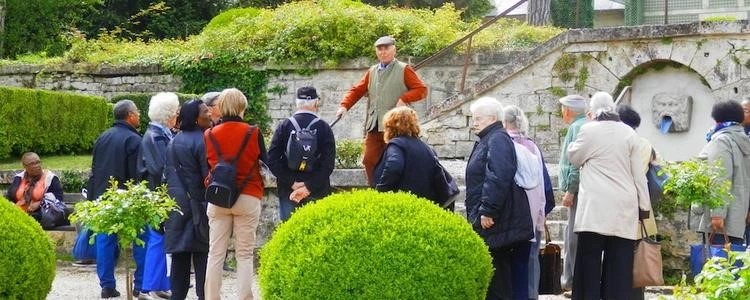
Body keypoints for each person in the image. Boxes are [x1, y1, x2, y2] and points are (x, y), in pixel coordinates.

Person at [566, 92, 651, 299]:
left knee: (589, 262)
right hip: (624, 207)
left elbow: (574, 157)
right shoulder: (629, 133)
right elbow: (638, 174)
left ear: (592, 111)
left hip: (595, 209)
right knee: (619, 265)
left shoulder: (589, 130)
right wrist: (644, 206)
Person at [335, 35, 427, 184]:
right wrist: (344, 106)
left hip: (397, 126)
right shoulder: (372, 71)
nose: (383, 52)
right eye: (380, 49)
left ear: (394, 50)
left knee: (396, 161)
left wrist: (404, 99)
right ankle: (377, 191)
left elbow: (421, 90)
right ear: (376, 52)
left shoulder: (404, 69)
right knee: (368, 160)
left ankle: (398, 191)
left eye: (386, 48)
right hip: (375, 125)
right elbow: (357, 90)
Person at [465, 97, 533, 300]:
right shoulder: (491, 138)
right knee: (495, 274)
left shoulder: (497, 138)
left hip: (495, 219)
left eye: (478, 118)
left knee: (497, 277)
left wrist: (488, 209)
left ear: (492, 118)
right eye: (473, 118)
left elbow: (499, 175)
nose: (474, 123)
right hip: (492, 217)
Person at [203, 88, 267, 300]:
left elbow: (209, 165)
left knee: (215, 253)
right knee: (245, 254)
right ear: (242, 107)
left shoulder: (209, 134)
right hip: (248, 195)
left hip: (219, 196)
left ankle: (212, 297)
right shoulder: (253, 132)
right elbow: (265, 163)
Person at [88, 99, 146, 298]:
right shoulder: (134, 140)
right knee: (141, 240)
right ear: (130, 115)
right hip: (127, 198)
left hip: (103, 197)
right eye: (137, 112)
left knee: (105, 241)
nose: (139, 115)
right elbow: (136, 174)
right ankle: (140, 284)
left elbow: (94, 170)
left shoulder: (102, 137)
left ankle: (107, 285)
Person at [502, 105, 555, 300]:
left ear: (504, 122)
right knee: (531, 260)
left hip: (511, 213)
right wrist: (543, 210)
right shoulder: (532, 146)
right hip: (533, 212)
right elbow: (545, 183)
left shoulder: (503, 144)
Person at [164, 100, 212, 300]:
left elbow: (166, 175)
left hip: (176, 204)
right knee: (202, 257)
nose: (209, 113)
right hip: (198, 204)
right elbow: (207, 177)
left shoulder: (173, 141)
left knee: (179, 258)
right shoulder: (204, 140)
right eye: (204, 111)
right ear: (195, 117)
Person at [267, 86, 335, 221]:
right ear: (316, 103)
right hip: (317, 190)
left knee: (290, 235)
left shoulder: (284, 126)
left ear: (297, 103)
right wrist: (308, 187)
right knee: (318, 234)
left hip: (289, 191)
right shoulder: (324, 127)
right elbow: (328, 163)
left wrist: (292, 182)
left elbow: (272, 159)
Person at [138, 92, 180, 300]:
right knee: (157, 238)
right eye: (175, 111)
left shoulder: (160, 133)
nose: (177, 115)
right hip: (159, 194)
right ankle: (150, 286)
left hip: (159, 193)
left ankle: (159, 284)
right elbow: (160, 168)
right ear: (169, 115)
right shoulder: (156, 136)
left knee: (161, 239)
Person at [694, 100, 750, 246]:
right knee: (732, 263)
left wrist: (717, 214)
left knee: (717, 264)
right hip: (737, 215)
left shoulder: (721, 140)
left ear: (717, 118)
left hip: (722, 219)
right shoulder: (742, 139)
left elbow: (720, 178)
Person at [372, 106, 441, 205]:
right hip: (425, 204)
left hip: (403, 204)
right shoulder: (426, 147)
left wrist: (380, 192)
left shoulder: (396, 145)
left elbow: (394, 167)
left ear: (390, 127)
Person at [557, 94, 588, 293]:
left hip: (577, 191)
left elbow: (574, 164)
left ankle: (572, 280)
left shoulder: (577, 127)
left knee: (573, 237)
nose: (561, 113)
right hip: (586, 190)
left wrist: (570, 190)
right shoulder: (585, 124)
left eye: (562, 108)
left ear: (568, 110)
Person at [6, 152, 65, 225]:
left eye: (38, 162)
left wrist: (40, 203)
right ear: (24, 166)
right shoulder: (19, 178)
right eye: (32, 164)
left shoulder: (50, 178)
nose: (36, 166)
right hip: (18, 213)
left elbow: (59, 199)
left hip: (41, 216)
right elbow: (9, 197)